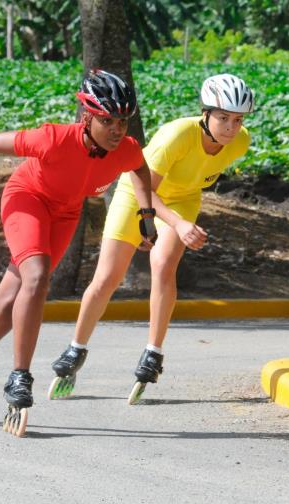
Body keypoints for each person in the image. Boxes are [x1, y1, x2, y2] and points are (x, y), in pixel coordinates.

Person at [0, 69, 157, 436]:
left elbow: (139, 170)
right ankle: (19, 377)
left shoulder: (126, 150)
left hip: (65, 213)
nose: (117, 130)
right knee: (37, 277)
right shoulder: (54, 139)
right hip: (27, 199)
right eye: (107, 121)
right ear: (87, 116)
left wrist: (146, 215)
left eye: (123, 121)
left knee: (9, 304)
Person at [47, 74, 254, 404]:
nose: (231, 127)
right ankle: (76, 349)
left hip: (183, 199)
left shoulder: (240, 142)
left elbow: (196, 178)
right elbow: (145, 186)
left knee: (163, 265)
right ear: (206, 113)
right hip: (137, 194)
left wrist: (176, 222)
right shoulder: (176, 136)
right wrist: (162, 223)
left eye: (238, 119)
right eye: (223, 118)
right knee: (108, 278)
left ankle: (153, 352)